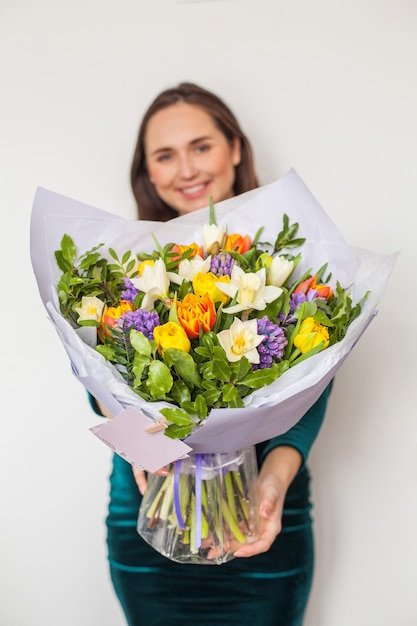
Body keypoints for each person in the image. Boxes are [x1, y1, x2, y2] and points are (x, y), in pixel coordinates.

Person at [90, 82, 332, 626]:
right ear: (148, 171)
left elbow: (310, 395)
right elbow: (100, 389)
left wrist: (271, 485)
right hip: (150, 515)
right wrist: (149, 456)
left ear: (236, 148)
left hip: (265, 514)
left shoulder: (285, 267)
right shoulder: (124, 272)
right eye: (165, 155)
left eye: (202, 146)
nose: (187, 169)